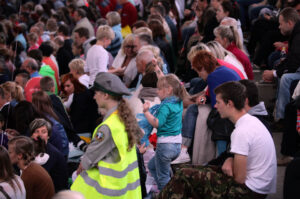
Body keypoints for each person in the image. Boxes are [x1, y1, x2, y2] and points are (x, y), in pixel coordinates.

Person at [159, 81, 277, 198]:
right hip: (258, 187)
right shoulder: (250, 122)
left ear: (229, 104)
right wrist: (230, 159)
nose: (215, 106)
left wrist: (230, 162)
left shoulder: (241, 131)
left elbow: (239, 178)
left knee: (183, 176)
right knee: (184, 170)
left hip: (249, 191)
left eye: (218, 102)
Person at [71, 72, 142, 198]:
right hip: (125, 190)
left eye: (96, 93)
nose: (94, 97)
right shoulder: (124, 119)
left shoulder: (107, 128)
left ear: (105, 95)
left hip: (107, 192)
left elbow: (87, 162)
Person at [142, 74, 185, 191]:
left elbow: (157, 123)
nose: (157, 91)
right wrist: (157, 70)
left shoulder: (165, 106)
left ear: (169, 90)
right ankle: (170, 188)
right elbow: (172, 81)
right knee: (152, 166)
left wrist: (146, 112)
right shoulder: (178, 101)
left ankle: (166, 193)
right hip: (176, 146)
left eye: (160, 89)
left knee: (163, 178)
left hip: (165, 146)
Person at [262, 7, 300, 122]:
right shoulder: (296, 33)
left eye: (281, 23)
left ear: (289, 23)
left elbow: (294, 62)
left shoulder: (298, 35)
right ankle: (278, 108)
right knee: (279, 66)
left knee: (285, 78)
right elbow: (292, 58)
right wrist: (277, 69)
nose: (279, 27)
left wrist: (274, 73)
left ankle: (281, 118)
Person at [29, 118, 68, 192]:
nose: (40, 135)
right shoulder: (32, 149)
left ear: (48, 135)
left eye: (43, 132)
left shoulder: (52, 154)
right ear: (31, 134)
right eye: (36, 131)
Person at [32, 91, 69, 157]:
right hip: (62, 153)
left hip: (59, 155)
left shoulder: (48, 122)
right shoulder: (52, 116)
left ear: (36, 104)